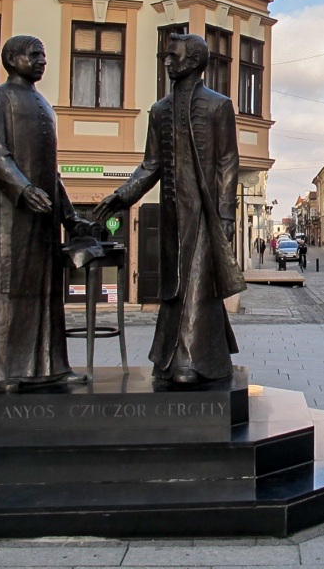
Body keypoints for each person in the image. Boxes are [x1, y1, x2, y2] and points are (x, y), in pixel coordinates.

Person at [95, 33, 244, 385]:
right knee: (176, 287)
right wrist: (122, 196)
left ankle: (188, 361)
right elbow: (150, 165)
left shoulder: (218, 105)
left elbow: (227, 162)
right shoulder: (159, 110)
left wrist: (225, 214)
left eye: (173, 56)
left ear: (194, 61)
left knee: (196, 284)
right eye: (165, 55)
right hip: (173, 214)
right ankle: (185, 357)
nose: (166, 61)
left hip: (206, 213)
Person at [0, 35, 89, 391]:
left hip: (42, 216)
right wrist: (23, 189)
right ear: (11, 58)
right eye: (35, 55)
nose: (42, 61)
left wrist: (69, 215)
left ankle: (49, 367)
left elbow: (52, 171)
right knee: (6, 290)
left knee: (45, 294)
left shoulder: (44, 105)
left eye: (44, 55)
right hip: (8, 213)